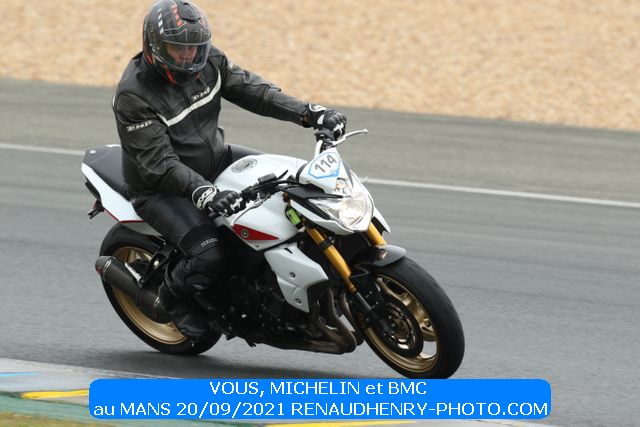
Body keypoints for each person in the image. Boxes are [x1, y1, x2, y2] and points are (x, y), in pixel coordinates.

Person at [113, 0, 347, 337]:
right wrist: (203, 192)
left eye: (195, 48)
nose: (188, 57)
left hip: (217, 159)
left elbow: (255, 91)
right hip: (160, 188)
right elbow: (158, 164)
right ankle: (170, 300)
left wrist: (309, 113)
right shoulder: (134, 96)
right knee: (209, 253)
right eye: (178, 49)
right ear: (154, 46)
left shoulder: (209, 61)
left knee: (293, 187)